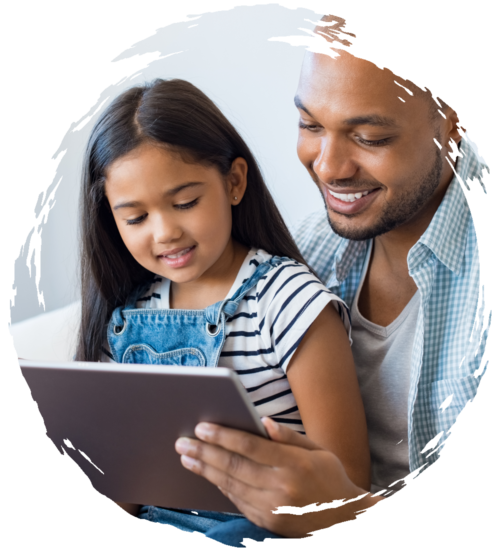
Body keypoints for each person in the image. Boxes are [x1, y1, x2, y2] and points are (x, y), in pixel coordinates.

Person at [173, 22, 497, 542]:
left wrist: (356, 523)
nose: (328, 166)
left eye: (370, 137)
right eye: (310, 125)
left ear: (455, 124)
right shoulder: (308, 251)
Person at [76, 78, 371, 545]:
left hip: (261, 530)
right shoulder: (129, 314)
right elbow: (122, 495)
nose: (165, 232)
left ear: (234, 183)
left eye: (186, 203)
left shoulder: (288, 300)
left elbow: (348, 484)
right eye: (136, 218)